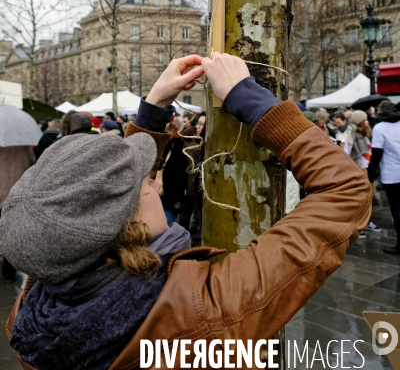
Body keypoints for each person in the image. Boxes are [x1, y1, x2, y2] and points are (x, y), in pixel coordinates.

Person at [2, 53, 371, 370]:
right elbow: (346, 190)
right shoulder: (206, 311)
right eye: (146, 184)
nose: (157, 183)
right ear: (125, 224)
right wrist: (256, 105)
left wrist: (152, 111)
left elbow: (97, 204)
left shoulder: (31, 314)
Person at [0, 144, 36, 283]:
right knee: (11, 236)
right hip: (17, 195)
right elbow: (33, 167)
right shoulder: (24, 147)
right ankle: (8, 275)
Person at [368, 101, 400, 255]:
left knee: (397, 208)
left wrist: (371, 174)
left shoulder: (380, 128)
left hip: (392, 174)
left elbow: (376, 154)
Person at [343, 110, 381, 237]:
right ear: (360, 121)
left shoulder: (364, 133)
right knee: (361, 199)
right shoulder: (351, 133)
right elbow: (346, 153)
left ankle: (367, 222)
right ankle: (358, 226)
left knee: (369, 198)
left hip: (367, 169)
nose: (368, 121)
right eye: (365, 119)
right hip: (359, 170)